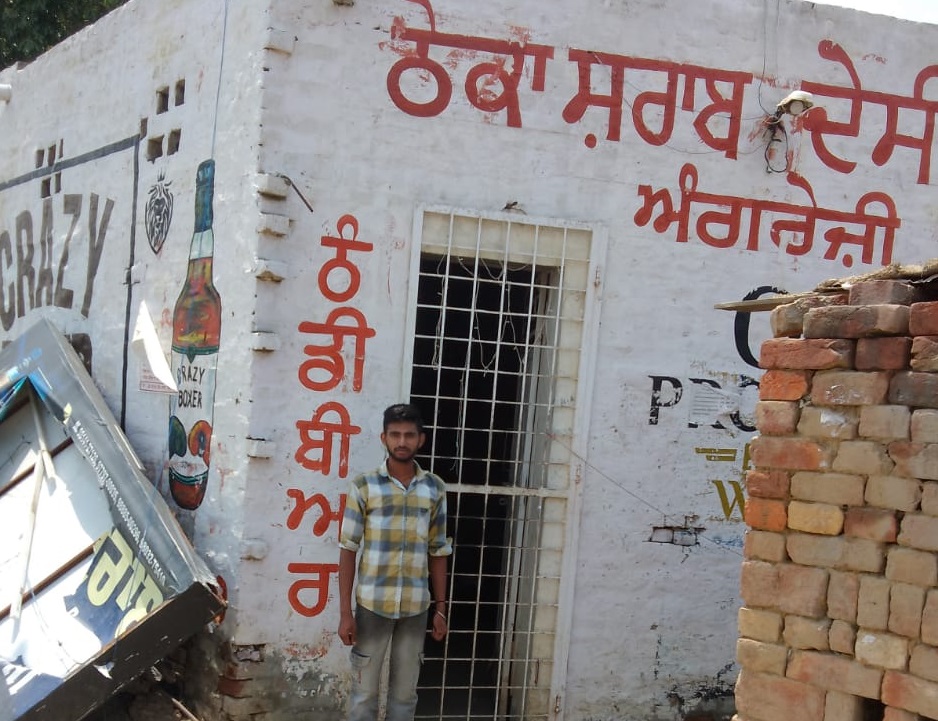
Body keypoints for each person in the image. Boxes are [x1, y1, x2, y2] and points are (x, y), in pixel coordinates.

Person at [338, 403, 452, 721]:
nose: (402, 442)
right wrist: (345, 613)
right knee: (363, 695)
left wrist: (441, 608)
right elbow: (348, 549)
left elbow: (438, 550)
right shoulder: (364, 486)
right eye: (395, 434)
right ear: (384, 438)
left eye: (409, 435)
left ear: (421, 439)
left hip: (415, 607)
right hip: (372, 606)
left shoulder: (434, 488)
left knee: (404, 696)